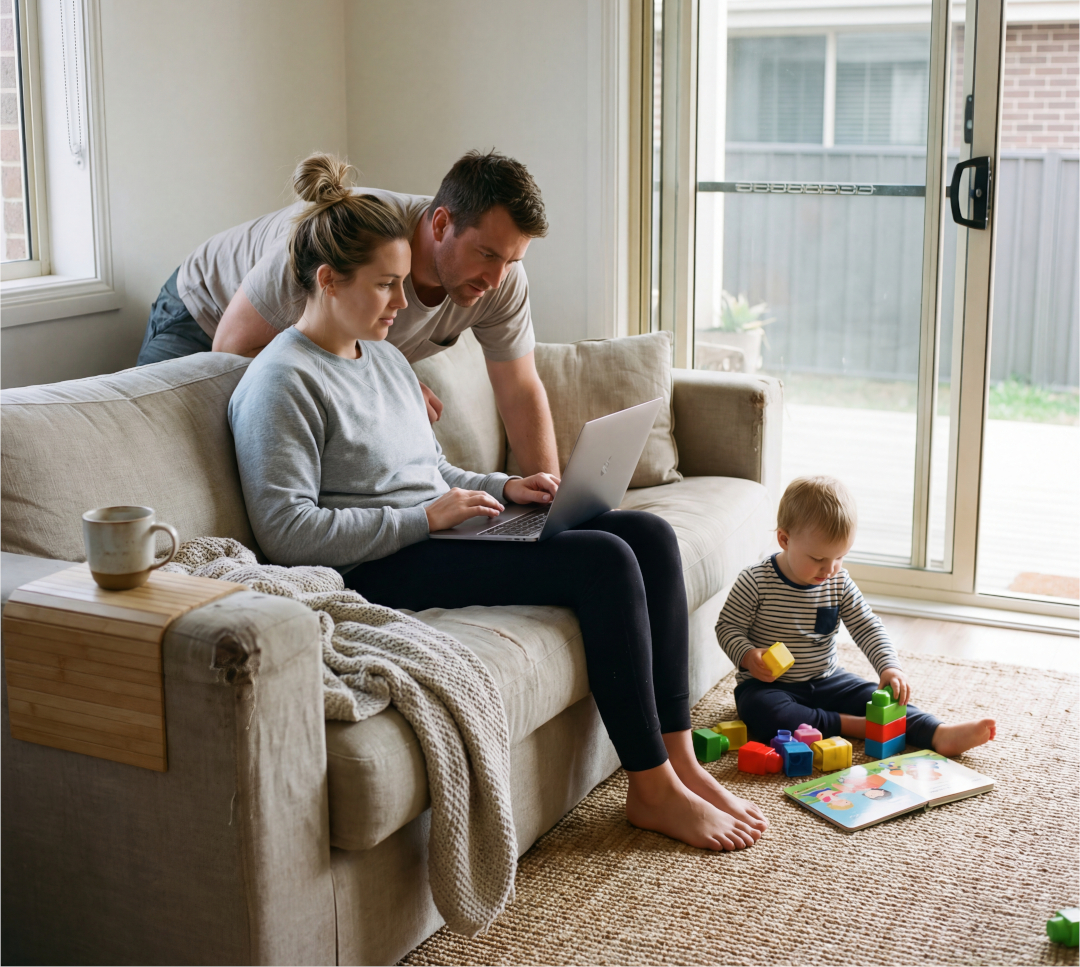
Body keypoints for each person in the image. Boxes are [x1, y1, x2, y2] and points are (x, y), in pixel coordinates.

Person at [228, 155, 769, 852]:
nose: (404, 304)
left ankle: (679, 758)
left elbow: (429, 469)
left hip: (439, 530)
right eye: (387, 286)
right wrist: (427, 517)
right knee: (602, 560)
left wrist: (497, 488)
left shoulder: (383, 357)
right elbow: (287, 533)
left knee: (649, 536)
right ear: (329, 281)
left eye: (401, 283)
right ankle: (650, 786)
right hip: (381, 563)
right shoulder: (280, 381)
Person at [139, 150, 559, 476]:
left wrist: (549, 506)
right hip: (205, 311)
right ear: (440, 224)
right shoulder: (346, 237)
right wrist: (385, 380)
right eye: (486, 254)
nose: (497, 278)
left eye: (512, 260)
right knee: (161, 453)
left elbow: (519, 389)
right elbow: (231, 349)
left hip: (288, 345)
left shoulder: (499, 280)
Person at [715, 476, 997, 757]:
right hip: (768, 687)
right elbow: (727, 627)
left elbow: (867, 626)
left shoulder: (838, 582)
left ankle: (937, 732)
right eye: (818, 559)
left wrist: (889, 667)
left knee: (881, 699)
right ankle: (853, 726)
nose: (830, 569)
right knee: (765, 715)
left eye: (840, 557)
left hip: (827, 680)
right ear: (784, 539)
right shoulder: (755, 581)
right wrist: (749, 655)